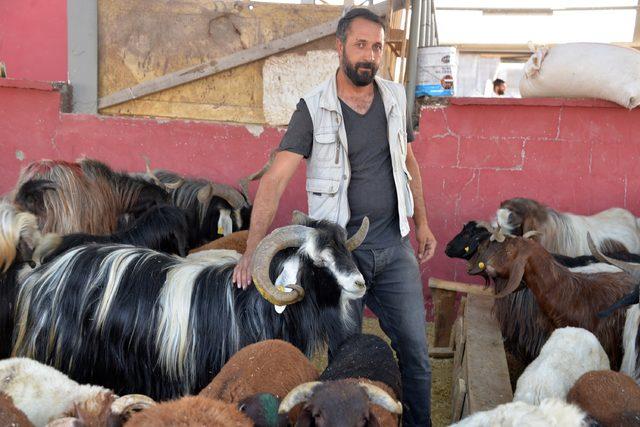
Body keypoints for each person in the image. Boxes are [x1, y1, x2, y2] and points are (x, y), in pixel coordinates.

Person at [233, 8, 436, 426]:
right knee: (347, 360)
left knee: (416, 354)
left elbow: (409, 164)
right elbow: (273, 182)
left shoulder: (396, 99)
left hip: (393, 247)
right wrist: (252, 251)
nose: (370, 55)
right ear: (339, 46)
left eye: (377, 47)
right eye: (361, 45)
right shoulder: (313, 108)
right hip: (341, 257)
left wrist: (423, 225)